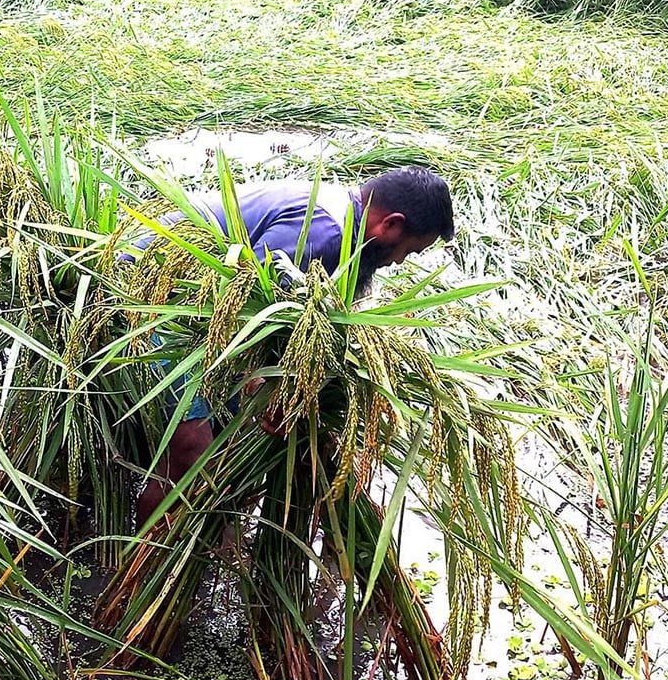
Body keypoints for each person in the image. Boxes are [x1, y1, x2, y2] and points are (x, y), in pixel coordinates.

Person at [126, 165, 455, 526]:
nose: (398, 261)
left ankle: (214, 540)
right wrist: (271, 387)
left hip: (195, 308)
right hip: (150, 295)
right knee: (194, 450)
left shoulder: (346, 222)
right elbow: (239, 305)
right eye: (408, 251)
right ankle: (142, 556)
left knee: (236, 438)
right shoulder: (323, 232)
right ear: (390, 224)